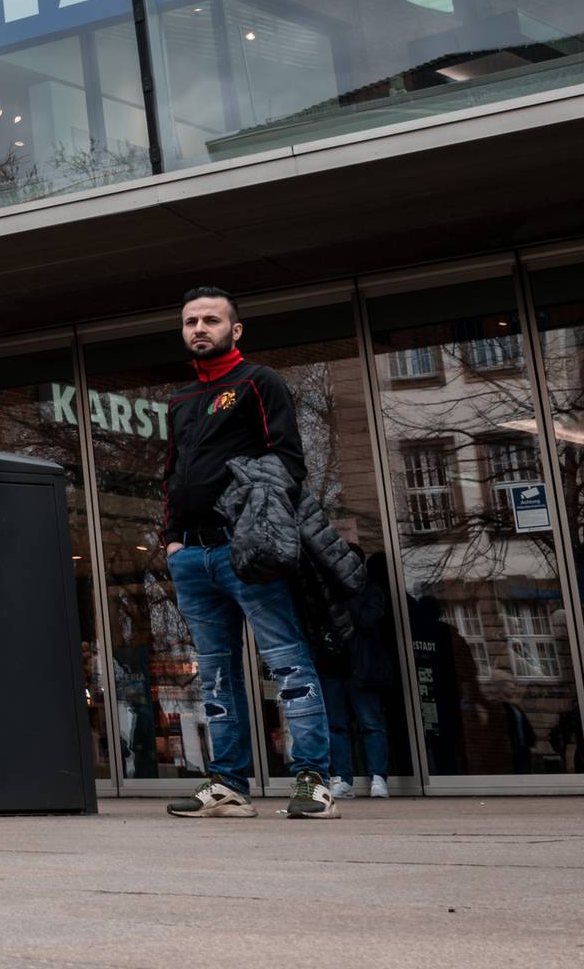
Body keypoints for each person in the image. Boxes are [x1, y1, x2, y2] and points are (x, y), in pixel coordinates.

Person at [158, 287, 339, 821]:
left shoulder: (260, 382)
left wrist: (247, 518)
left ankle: (313, 780)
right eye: (191, 321)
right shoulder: (180, 401)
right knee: (215, 674)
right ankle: (228, 786)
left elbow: (288, 461)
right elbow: (172, 475)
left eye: (211, 320)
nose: (199, 328)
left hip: (247, 551)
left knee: (287, 662)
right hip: (191, 557)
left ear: (234, 330)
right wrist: (171, 539)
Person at [321, 553, 398, 798]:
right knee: (336, 725)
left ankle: (378, 777)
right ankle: (342, 779)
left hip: (362, 668)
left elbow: (368, 620)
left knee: (371, 724)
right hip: (332, 667)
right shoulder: (325, 590)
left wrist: (348, 595)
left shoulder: (370, 590)